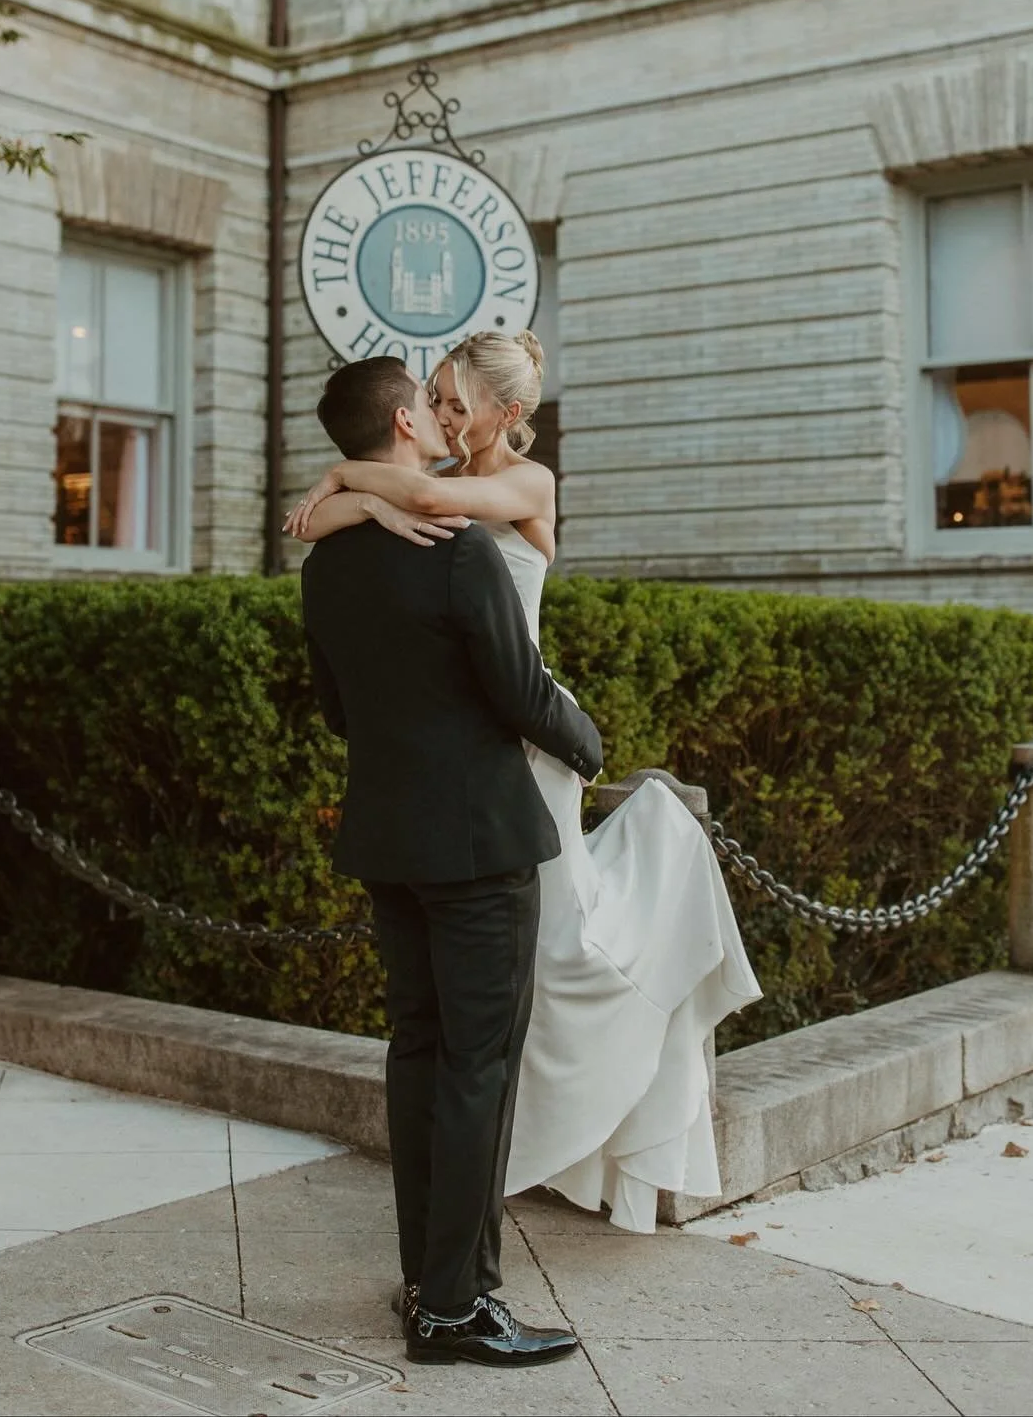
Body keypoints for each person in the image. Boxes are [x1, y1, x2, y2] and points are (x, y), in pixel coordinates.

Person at [288, 331, 762, 1234]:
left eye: (456, 398)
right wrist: (362, 494)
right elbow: (317, 525)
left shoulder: (524, 485)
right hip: (472, 747)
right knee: (508, 982)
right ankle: (511, 1177)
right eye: (434, 396)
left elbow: (425, 501)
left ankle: (591, 1120)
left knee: (555, 949)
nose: (443, 411)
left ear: (506, 411)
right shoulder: (427, 490)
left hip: (531, 740)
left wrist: (349, 478)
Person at [299, 355, 605, 1369]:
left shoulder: (325, 563)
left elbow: (337, 708)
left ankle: (429, 1282)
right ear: (401, 422)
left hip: (389, 836)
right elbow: (520, 690)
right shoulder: (460, 548)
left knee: (419, 1053)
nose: (439, 418)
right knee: (480, 1068)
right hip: (479, 840)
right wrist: (589, 745)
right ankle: (456, 1307)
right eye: (426, 406)